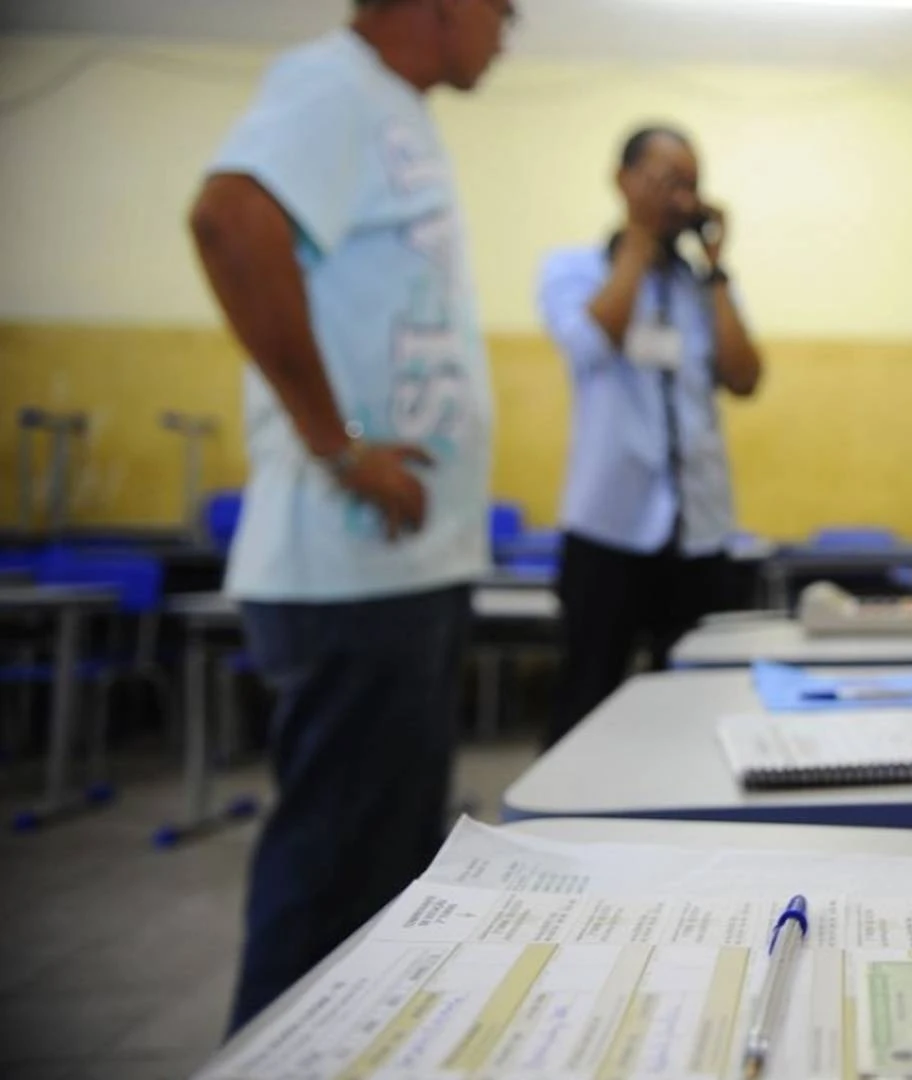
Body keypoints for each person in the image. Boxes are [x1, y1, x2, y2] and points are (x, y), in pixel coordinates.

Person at [187, 0, 510, 1032]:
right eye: (503, 7)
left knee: (383, 887)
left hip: (404, 567)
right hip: (351, 568)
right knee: (333, 885)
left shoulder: (394, 108)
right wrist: (337, 444)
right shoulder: (335, 83)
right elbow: (229, 219)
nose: (510, 27)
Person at [537, 125, 764, 747]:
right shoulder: (572, 269)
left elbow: (744, 377)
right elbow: (591, 341)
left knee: (697, 707)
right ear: (623, 180)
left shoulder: (703, 288)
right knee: (586, 699)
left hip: (698, 530)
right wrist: (637, 240)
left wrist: (716, 269)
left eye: (691, 186)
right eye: (666, 182)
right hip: (608, 526)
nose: (681, 200)